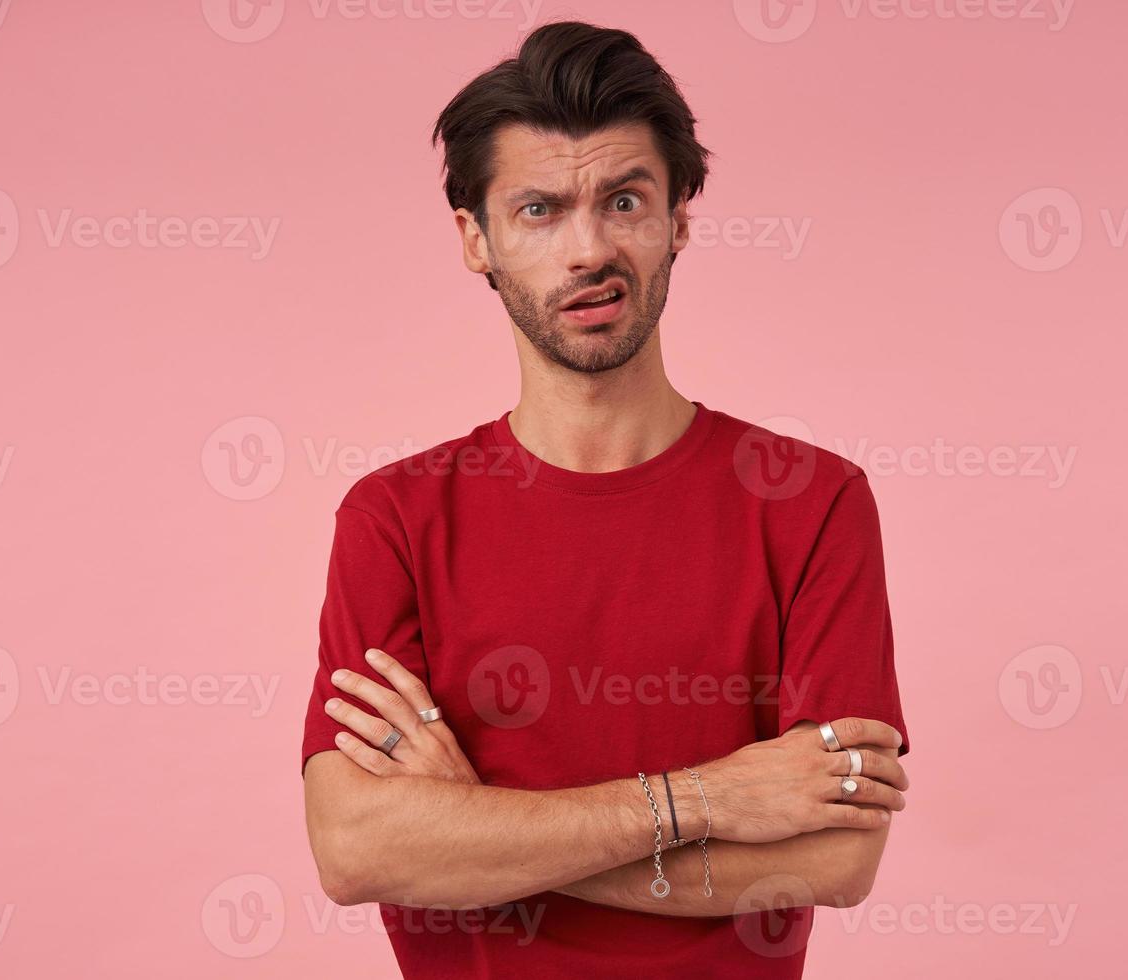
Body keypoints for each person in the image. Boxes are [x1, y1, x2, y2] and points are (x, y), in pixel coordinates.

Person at [301, 20, 910, 980]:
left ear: (677, 222)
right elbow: (356, 849)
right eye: (540, 210)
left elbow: (838, 858)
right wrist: (705, 802)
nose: (590, 249)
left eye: (625, 201)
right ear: (477, 240)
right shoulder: (393, 519)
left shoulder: (813, 503)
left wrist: (474, 835)